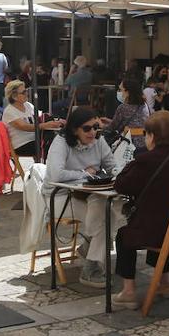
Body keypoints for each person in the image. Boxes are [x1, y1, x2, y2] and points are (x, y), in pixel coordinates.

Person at [111, 110, 169, 307]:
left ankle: (128, 291)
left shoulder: (145, 160)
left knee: (124, 234)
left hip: (164, 233)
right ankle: (164, 280)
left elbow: (122, 185)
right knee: (160, 221)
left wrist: (133, 162)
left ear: (151, 136)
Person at [46, 107, 121, 288]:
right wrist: (84, 173)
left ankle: (90, 253)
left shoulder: (98, 140)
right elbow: (56, 175)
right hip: (60, 195)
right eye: (87, 128)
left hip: (89, 194)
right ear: (74, 130)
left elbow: (112, 165)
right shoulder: (61, 142)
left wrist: (120, 174)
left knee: (116, 210)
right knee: (105, 217)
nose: (93, 132)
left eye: (96, 127)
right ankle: (90, 268)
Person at [3, 80, 63, 157]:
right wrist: (45, 125)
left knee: (58, 140)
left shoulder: (28, 105)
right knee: (54, 145)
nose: (27, 94)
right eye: (23, 92)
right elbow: (24, 127)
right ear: (14, 96)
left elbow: (42, 117)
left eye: (26, 91)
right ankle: (49, 167)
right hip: (21, 145)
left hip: (35, 140)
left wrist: (57, 120)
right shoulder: (9, 111)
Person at [109, 76, 153, 150]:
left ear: (128, 92)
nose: (118, 92)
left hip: (129, 145)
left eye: (120, 90)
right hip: (145, 143)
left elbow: (113, 127)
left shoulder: (123, 108)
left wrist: (101, 125)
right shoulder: (144, 105)